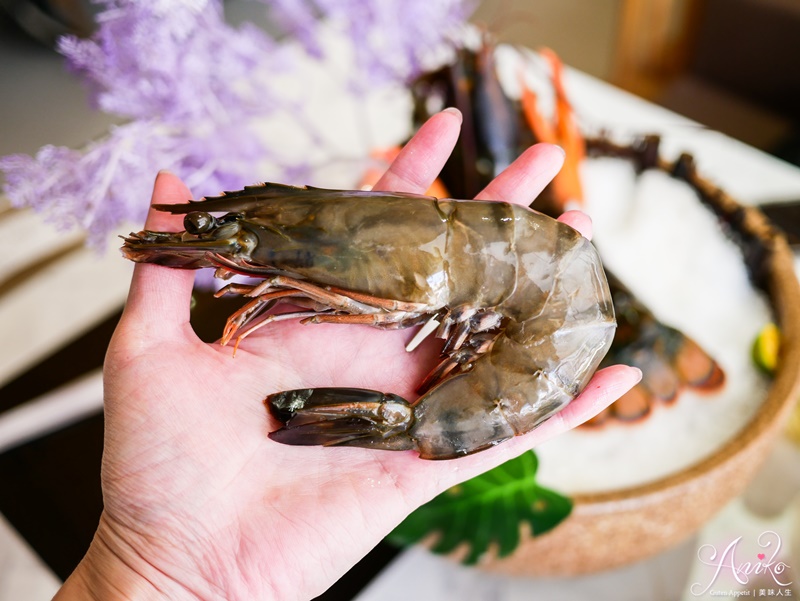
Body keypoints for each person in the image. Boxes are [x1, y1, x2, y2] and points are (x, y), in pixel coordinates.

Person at [54, 109, 641, 600]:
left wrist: (156, 574)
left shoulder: (524, 291)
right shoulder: (469, 253)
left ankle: (404, 420)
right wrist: (156, 570)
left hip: (531, 351)